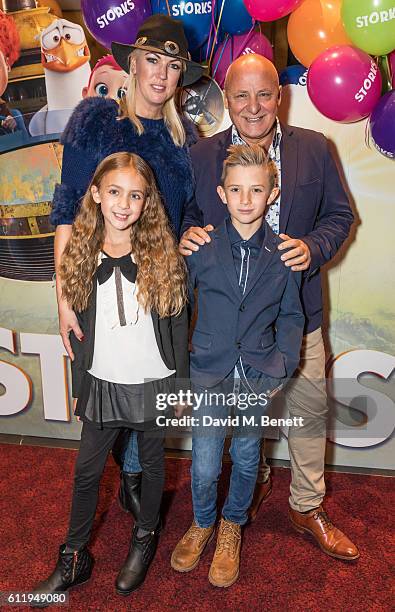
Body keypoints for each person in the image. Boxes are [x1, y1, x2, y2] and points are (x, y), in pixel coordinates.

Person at [180, 54, 359, 561]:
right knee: (232, 435)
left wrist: (314, 248)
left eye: (264, 94)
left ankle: (307, 505)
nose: (253, 106)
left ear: (279, 96)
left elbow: (339, 217)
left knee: (306, 411)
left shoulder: (315, 149)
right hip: (226, 325)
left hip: (295, 312)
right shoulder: (202, 156)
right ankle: (246, 490)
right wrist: (187, 234)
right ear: (226, 98)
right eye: (241, 95)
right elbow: (187, 216)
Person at [51, 15, 203, 521]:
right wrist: (63, 296)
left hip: (157, 292)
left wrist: (190, 233)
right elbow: (67, 209)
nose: (161, 75)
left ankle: (135, 476)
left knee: (150, 390)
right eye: (153, 60)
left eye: (174, 65)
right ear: (132, 63)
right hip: (97, 290)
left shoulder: (187, 141)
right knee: (104, 398)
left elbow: (190, 211)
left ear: (182, 76)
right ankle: (125, 477)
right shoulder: (96, 121)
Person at [32, 151, 189, 604]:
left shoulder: (161, 252)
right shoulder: (80, 251)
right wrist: (82, 384)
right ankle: (75, 557)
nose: (124, 204)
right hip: (103, 379)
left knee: (155, 463)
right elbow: (79, 332)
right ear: (97, 195)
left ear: (147, 202)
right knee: (86, 472)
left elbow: (178, 322)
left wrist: (178, 386)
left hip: (154, 378)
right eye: (115, 192)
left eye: (135, 195)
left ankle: (144, 536)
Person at [171, 144, 304, 587]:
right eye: (236, 190)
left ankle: (232, 525)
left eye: (256, 190)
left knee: (247, 458)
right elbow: (180, 311)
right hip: (209, 372)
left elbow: (291, 317)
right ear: (221, 193)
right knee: (206, 463)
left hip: (256, 377)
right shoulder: (201, 249)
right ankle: (203, 521)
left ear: (273, 193)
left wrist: (280, 368)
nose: (246, 200)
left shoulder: (285, 257)